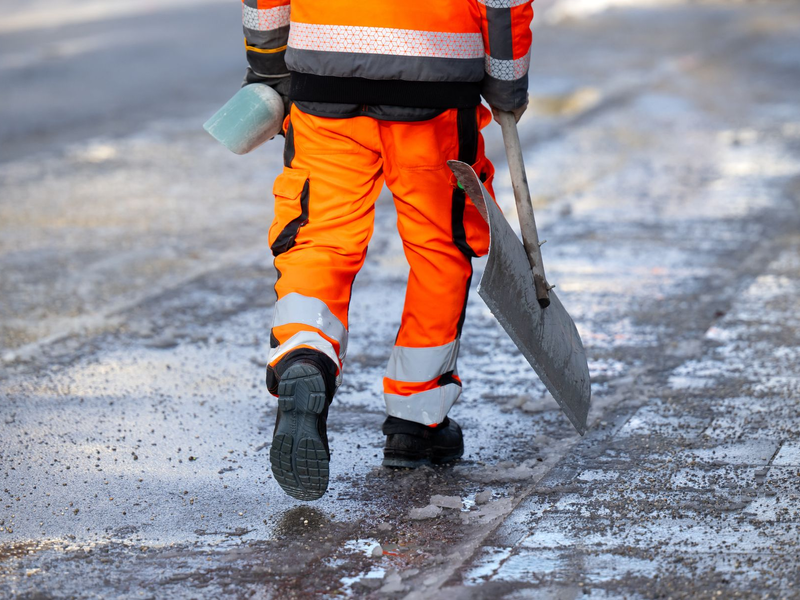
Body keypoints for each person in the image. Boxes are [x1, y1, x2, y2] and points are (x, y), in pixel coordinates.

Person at [241, 0, 533, 500]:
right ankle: (416, 421)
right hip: (436, 85)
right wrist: (505, 84)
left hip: (323, 75)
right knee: (439, 247)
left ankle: (304, 353)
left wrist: (269, 69)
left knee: (319, 235)